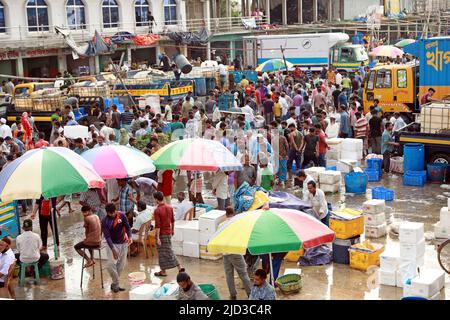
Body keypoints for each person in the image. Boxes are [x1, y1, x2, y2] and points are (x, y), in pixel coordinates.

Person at [221, 207, 252, 300]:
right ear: (233, 213)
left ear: (225, 214)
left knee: (229, 274)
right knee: (243, 274)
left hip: (225, 253)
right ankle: (250, 294)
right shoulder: (237, 223)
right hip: (235, 252)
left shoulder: (221, 225)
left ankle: (233, 294)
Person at [102, 203, 132, 293]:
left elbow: (127, 227)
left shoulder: (122, 215)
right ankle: (117, 283)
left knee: (121, 265)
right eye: (110, 213)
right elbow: (107, 237)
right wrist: (113, 250)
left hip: (123, 242)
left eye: (114, 212)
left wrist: (130, 237)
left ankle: (115, 284)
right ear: (107, 213)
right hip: (112, 244)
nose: (113, 214)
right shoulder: (105, 221)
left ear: (116, 210)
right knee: (110, 265)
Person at [153, 191, 184, 277]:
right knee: (167, 250)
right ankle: (165, 270)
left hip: (162, 233)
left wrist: (158, 237)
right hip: (168, 232)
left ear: (156, 199)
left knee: (164, 252)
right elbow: (173, 221)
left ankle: (177, 267)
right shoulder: (169, 207)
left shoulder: (157, 210)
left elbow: (158, 226)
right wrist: (172, 230)